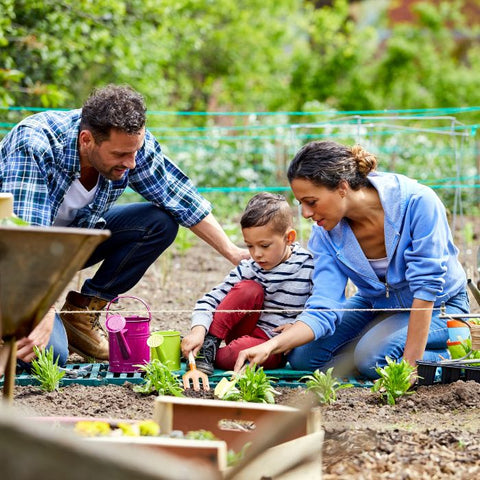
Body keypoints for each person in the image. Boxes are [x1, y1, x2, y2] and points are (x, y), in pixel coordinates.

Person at [0, 84, 248, 366]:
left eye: (135, 152)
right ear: (86, 140)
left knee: (158, 223)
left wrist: (233, 252)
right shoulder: (35, 144)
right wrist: (42, 313)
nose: (131, 163)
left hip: (66, 246)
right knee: (49, 354)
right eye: (120, 155)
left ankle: (80, 316)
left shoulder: (130, 145)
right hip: (10, 258)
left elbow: (180, 198)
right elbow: (24, 240)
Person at [234, 140, 469, 379]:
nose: (304, 213)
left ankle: (458, 351)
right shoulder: (325, 233)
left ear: (342, 187)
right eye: (301, 203)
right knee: (302, 356)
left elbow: (426, 289)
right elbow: (324, 303)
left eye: (311, 202)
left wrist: (409, 368)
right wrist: (272, 345)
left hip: (441, 306)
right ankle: (372, 346)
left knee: (373, 359)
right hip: (376, 304)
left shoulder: (417, 203)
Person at [181, 192, 314, 374]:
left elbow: (319, 308)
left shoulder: (308, 266)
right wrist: (198, 330)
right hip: (242, 329)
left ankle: (200, 354)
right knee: (249, 289)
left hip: (272, 345)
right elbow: (210, 300)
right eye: (250, 246)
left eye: (264, 245)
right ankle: (207, 345)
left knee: (237, 354)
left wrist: (297, 326)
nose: (256, 254)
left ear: (289, 238)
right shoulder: (250, 267)